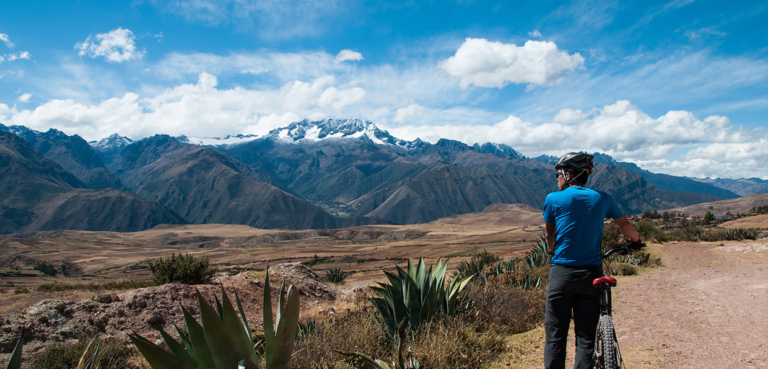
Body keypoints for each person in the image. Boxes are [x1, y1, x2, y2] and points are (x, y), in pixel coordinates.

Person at [542, 152, 643, 369]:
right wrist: (635, 241)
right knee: (586, 336)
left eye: (558, 174)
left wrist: (552, 250)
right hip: (591, 275)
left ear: (568, 175)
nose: (557, 179)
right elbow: (625, 225)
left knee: (555, 335)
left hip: (562, 274)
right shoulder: (602, 198)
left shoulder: (552, 199)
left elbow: (550, 234)